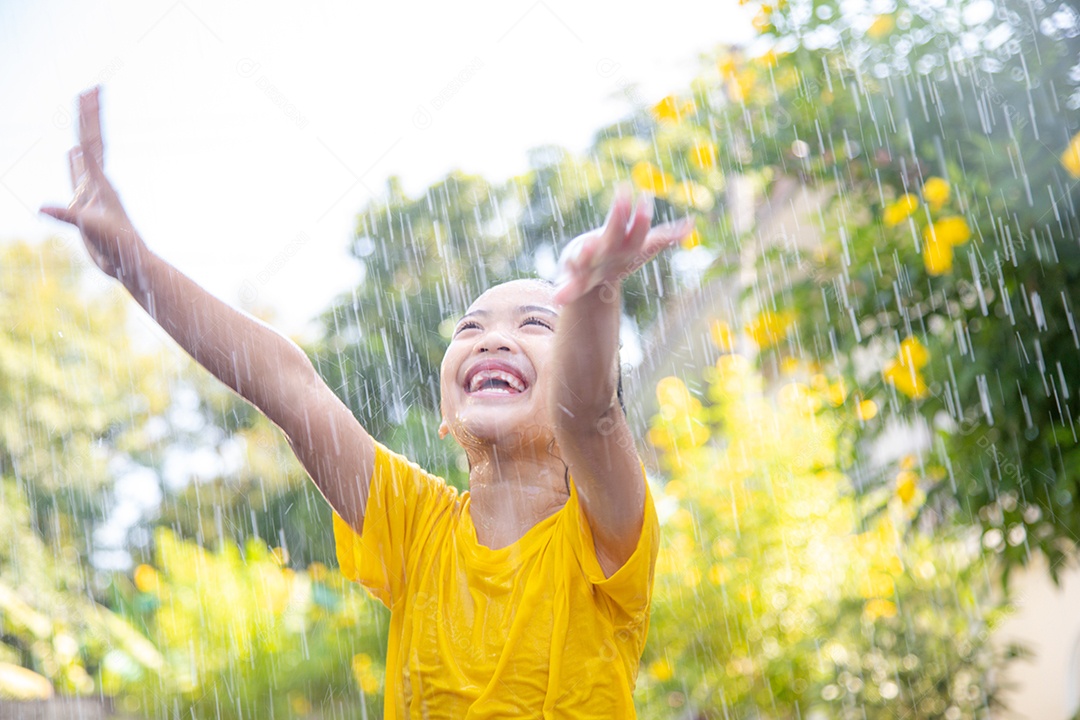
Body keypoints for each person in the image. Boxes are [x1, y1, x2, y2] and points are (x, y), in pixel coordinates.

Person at [41, 86, 694, 718]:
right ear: (445, 417)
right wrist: (136, 264)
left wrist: (593, 290)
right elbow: (290, 389)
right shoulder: (415, 529)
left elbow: (589, 412)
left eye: (534, 323)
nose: (493, 337)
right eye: (470, 327)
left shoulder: (602, 531)